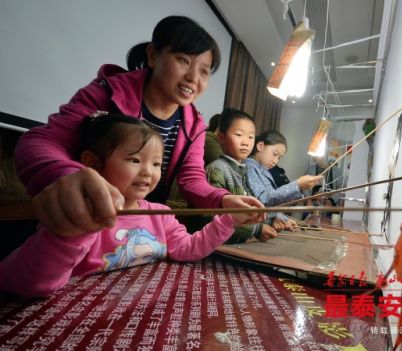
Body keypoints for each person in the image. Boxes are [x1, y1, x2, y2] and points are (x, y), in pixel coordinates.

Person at [14, 16, 263, 238]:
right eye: (183, 60)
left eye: (205, 71)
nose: (193, 78)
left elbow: (191, 179)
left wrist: (224, 200)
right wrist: (66, 175)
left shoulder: (194, 125)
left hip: (142, 227)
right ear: (153, 55)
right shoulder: (107, 93)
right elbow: (42, 142)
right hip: (88, 223)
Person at [0, 114, 256, 298]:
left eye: (156, 164)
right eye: (135, 159)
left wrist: (228, 219)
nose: (148, 172)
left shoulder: (160, 215)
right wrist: (67, 234)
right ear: (93, 163)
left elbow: (188, 249)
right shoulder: (80, 216)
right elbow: (26, 281)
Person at [206, 108, 279, 243]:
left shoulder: (242, 170)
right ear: (221, 137)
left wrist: (268, 220)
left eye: (250, 137)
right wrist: (255, 230)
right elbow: (214, 217)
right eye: (239, 134)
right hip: (217, 245)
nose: (246, 142)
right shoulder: (217, 169)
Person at [246, 130, 323, 207]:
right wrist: (297, 185)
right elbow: (263, 200)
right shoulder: (250, 166)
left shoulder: (263, 170)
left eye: (279, 158)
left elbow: (272, 205)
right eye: (274, 154)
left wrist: (284, 219)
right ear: (260, 146)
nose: (276, 161)